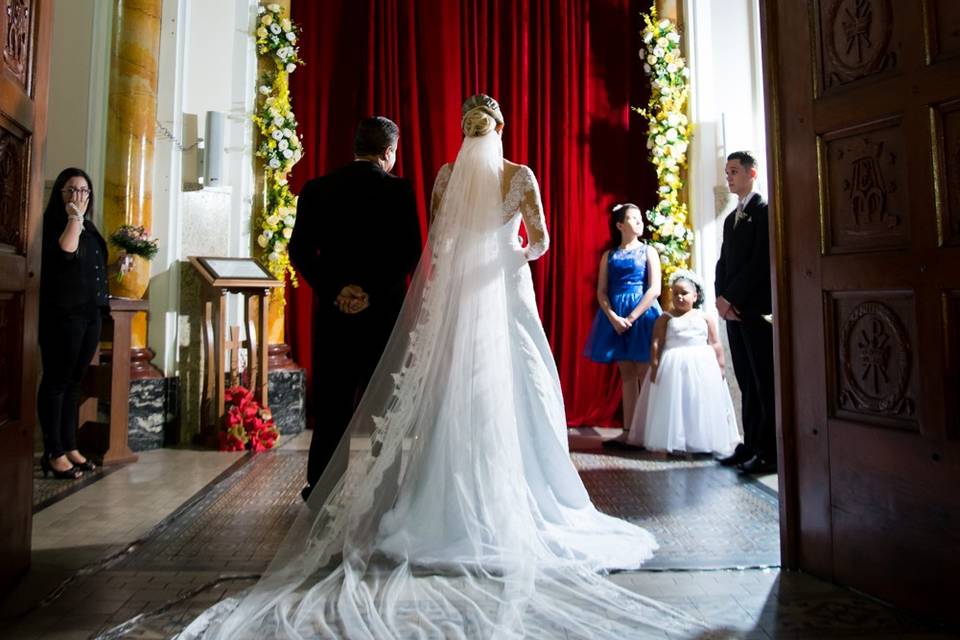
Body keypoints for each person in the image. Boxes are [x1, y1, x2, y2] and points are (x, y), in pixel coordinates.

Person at [179, 95, 705, 639]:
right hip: (495, 292)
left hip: (427, 303)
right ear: (500, 128)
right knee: (516, 387)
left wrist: (348, 286)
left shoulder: (439, 178)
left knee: (413, 393)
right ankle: (506, 492)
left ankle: (365, 495)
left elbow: (431, 245)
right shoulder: (519, 176)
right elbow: (534, 243)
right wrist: (509, 253)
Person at [289, 116, 422, 501]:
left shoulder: (316, 189)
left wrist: (337, 290)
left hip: (334, 316)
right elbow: (409, 252)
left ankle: (321, 489)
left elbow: (299, 251)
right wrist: (371, 293)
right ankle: (385, 492)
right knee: (386, 406)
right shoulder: (399, 192)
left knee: (332, 406)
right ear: (388, 152)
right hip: (383, 317)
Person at [37, 168, 107, 480]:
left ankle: (69, 445)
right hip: (62, 316)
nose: (79, 195)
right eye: (72, 190)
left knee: (74, 382)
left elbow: (91, 268)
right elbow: (66, 254)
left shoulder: (90, 228)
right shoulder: (55, 225)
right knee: (56, 382)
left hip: (89, 314)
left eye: (84, 191)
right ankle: (52, 452)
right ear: (61, 195)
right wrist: (74, 217)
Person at [625, 270, 741, 456]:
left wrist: (720, 366)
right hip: (673, 367)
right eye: (675, 293)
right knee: (676, 405)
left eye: (684, 293)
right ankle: (676, 442)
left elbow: (715, 343)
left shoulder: (705, 317)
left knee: (699, 403)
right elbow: (656, 343)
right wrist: (655, 365)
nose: (679, 297)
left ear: (695, 296)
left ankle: (701, 441)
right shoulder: (665, 318)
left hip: (702, 366)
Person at [715, 150, 776, 474]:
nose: (729, 177)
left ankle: (769, 451)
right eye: (727, 172)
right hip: (732, 311)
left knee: (762, 380)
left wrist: (734, 299)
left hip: (754, 310)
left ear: (752, 174)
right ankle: (750, 442)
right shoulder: (730, 218)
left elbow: (759, 263)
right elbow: (723, 263)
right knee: (746, 380)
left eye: (734, 171)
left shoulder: (764, 211)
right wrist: (720, 299)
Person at [583, 203, 662, 440]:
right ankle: (629, 431)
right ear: (620, 225)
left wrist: (631, 317)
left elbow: (655, 289)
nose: (640, 222)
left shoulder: (648, 252)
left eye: (640, 218)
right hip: (616, 317)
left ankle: (647, 431)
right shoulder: (609, 255)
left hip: (643, 315)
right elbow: (601, 291)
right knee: (626, 374)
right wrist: (614, 317)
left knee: (644, 373)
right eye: (633, 218)